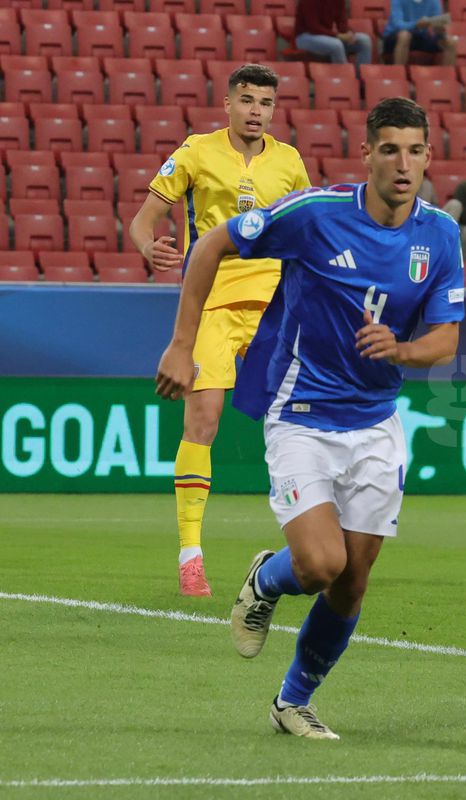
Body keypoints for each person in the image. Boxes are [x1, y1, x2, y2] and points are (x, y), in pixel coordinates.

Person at [154, 98, 464, 738]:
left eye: (414, 151)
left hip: (377, 425)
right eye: (389, 150)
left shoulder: (440, 234)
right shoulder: (315, 214)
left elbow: (446, 338)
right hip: (301, 414)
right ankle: (267, 579)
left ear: (429, 157)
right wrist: (183, 345)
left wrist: (401, 349)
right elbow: (211, 244)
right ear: (366, 155)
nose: (403, 164)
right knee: (321, 565)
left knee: (352, 581)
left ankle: (292, 701)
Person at [128, 65, 311, 597]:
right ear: (228, 104)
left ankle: (310, 545)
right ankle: (191, 556)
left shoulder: (289, 161)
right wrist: (148, 247)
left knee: (300, 423)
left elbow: (309, 230)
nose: (256, 111)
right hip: (211, 303)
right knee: (202, 420)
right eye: (247, 100)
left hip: (275, 307)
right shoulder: (196, 151)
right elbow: (142, 221)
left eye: (265, 103)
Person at [294, 0, 373, 67]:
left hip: (327, 36)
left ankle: (361, 78)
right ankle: (345, 77)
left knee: (364, 40)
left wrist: (349, 32)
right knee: (336, 45)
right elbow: (313, 27)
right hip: (304, 37)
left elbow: (342, 23)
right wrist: (338, 36)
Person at [382, 0, 457, 67]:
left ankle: (448, 76)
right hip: (395, 37)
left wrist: (441, 31)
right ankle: (399, 73)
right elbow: (398, 25)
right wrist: (416, 25)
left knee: (451, 42)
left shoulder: (434, 1)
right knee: (404, 35)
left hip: (421, 36)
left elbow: (437, 27)